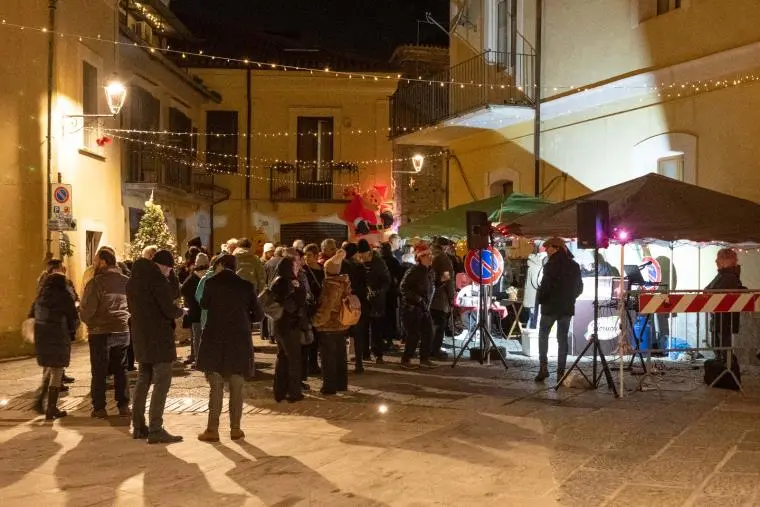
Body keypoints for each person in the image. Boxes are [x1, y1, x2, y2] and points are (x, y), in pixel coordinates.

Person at [197, 254, 263, 442]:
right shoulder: (246, 286)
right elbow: (258, 315)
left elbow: (203, 304)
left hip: (215, 340)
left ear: (219, 265)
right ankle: (235, 429)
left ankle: (212, 429)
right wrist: (243, 318)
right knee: (236, 385)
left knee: (216, 386)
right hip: (239, 341)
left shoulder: (211, 283)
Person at [127, 249, 186, 443]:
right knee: (162, 383)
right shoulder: (157, 280)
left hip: (141, 337)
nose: (170, 273)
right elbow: (168, 309)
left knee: (143, 380)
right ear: (163, 266)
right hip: (160, 339)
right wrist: (180, 312)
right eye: (169, 269)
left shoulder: (133, 280)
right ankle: (155, 428)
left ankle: (138, 426)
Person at [80, 249, 131, 419]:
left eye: (95, 261)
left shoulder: (96, 283)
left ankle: (99, 407)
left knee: (99, 371)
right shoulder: (126, 282)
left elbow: (87, 311)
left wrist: (84, 315)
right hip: (122, 330)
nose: (94, 264)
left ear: (103, 262)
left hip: (100, 332)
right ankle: (123, 405)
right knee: (121, 369)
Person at [31, 260, 79, 420]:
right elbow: (73, 317)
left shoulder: (41, 296)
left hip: (42, 336)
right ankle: (51, 407)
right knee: (57, 370)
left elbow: (31, 314)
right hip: (58, 334)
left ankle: (40, 400)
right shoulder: (64, 296)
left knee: (49, 368)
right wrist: (73, 330)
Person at [534, 237, 583, 382]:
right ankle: (560, 373)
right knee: (562, 340)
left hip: (550, 307)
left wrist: (541, 299)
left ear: (556, 248)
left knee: (543, 336)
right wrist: (570, 298)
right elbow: (579, 287)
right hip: (566, 308)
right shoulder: (574, 265)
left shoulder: (550, 265)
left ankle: (543, 369)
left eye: (548, 247)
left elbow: (546, 286)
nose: (546, 250)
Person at [313, 250, 352, 394]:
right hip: (341, 323)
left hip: (328, 326)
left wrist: (316, 321)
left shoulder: (330, 285)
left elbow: (326, 308)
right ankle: (342, 383)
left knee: (328, 358)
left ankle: (329, 386)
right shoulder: (344, 282)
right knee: (340, 356)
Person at [271, 256, 309, 402]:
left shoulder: (276, 281)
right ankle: (294, 393)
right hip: (290, 325)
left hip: (279, 325)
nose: (297, 268)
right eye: (294, 266)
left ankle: (279, 391)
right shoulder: (290, 282)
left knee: (282, 358)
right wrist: (299, 288)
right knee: (294, 359)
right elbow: (299, 302)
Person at [353, 239, 391, 368]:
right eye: (360, 255)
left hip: (376, 300)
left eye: (363, 255)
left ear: (369, 252)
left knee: (376, 328)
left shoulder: (379, 263)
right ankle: (365, 353)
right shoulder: (359, 263)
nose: (362, 257)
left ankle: (378, 354)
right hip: (364, 300)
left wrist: (378, 291)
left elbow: (386, 281)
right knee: (363, 328)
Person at [399, 244, 435, 369]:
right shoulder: (415, 270)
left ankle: (424, 359)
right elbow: (403, 287)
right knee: (413, 335)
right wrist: (417, 298)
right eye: (428, 255)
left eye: (431, 255)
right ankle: (406, 360)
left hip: (423, 308)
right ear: (420, 257)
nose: (431, 258)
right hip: (412, 308)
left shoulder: (428, 271)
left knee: (428, 333)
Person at [705, 248, 744, 363]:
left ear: (726, 260)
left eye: (718, 258)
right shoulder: (723, 275)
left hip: (724, 319)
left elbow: (714, 291)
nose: (716, 261)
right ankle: (723, 369)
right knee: (719, 345)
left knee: (723, 346)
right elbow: (708, 290)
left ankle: (726, 371)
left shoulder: (729, 276)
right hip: (719, 318)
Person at [180, 252, 209, 367]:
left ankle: (197, 359)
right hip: (203, 309)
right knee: (198, 336)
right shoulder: (209, 275)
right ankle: (196, 357)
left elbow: (183, 289)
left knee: (196, 337)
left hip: (194, 309)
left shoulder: (194, 276)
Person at [430, 240, 455, 360]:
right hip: (440, 297)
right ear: (445, 247)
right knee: (440, 325)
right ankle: (435, 350)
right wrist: (451, 296)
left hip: (429, 296)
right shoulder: (443, 259)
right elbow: (446, 278)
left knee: (432, 324)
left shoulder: (430, 255)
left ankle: (429, 348)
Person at [303, 243, 325, 375]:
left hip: (321, 306)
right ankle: (311, 364)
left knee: (318, 337)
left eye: (310, 255)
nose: (307, 257)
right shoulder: (304, 270)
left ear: (317, 256)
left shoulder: (322, 269)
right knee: (310, 337)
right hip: (309, 307)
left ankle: (314, 363)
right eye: (305, 255)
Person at [380, 242, 403, 351]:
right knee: (388, 319)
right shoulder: (391, 261)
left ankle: (386, 340)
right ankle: (387, 340)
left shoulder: (382, 262)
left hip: (387, 295)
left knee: (386, 318)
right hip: (388, 295)